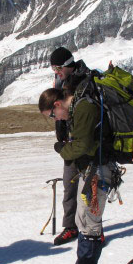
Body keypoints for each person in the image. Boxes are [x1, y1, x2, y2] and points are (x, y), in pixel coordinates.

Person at [39, 87, 116, 264]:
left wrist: (62, 149)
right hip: (93, 170)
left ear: (57, 104)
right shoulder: (80, 108)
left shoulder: (83, 109)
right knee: (85, 221)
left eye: (53, 115)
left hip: (98, 172)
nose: (57, 119)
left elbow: (82, 146)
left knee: (89, 223)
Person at [49, 47, 92, 246]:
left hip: (86, 143)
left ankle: (91, 231)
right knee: (69, 186)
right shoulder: (62, 82)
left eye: (58, 67)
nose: (56, 72)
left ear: (68, 64)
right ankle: (71, 227)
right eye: (53, 68)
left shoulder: (85, 81)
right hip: (69, 142)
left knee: (89, 189)